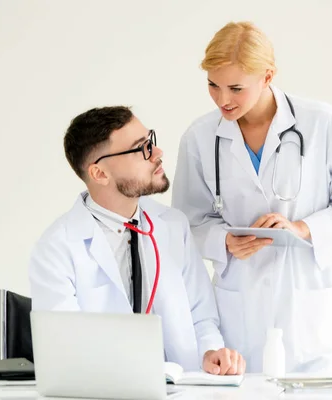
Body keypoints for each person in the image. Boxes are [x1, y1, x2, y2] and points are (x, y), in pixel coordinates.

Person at [171, 21, 332, 374]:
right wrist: (223, 240)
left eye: (236, 88)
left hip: (311, 312)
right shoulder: (199, 138)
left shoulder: (323, 124)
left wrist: (302, 228)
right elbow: (187, 222)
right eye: (213, 85)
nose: (222, 99)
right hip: (238, 314)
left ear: (268, 76)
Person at [29, 105, 245, 375]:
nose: (157, 153)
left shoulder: (172, 226)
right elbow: (64, 350)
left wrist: (210, 353)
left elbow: (202, 317)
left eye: (150, 141)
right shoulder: (57, 248)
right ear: (99, 174)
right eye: (140, 148)